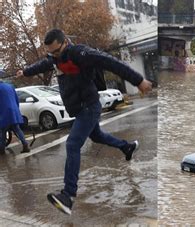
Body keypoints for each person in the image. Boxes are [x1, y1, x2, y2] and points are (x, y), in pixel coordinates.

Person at [16, 28, 153, 215]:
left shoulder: (81, 53)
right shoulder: (55, 58)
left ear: (65, 42)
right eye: (51, 52)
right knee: (97, 136)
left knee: (72, 144)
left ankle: (68, 196)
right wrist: (25, 71)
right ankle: (127, 147)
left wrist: (138, 80)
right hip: (79, 108)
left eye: (57, 51)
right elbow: (43, 64)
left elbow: (110, 62)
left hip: (89, 105)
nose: (54, 55)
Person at [0, 81, 30, 153]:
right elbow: (17, 99)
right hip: (14, 110)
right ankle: (25, 144)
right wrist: (16, 110)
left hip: (4, 112)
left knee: (3, 131)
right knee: (17, 129)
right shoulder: (10, 86)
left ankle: (1, 149)